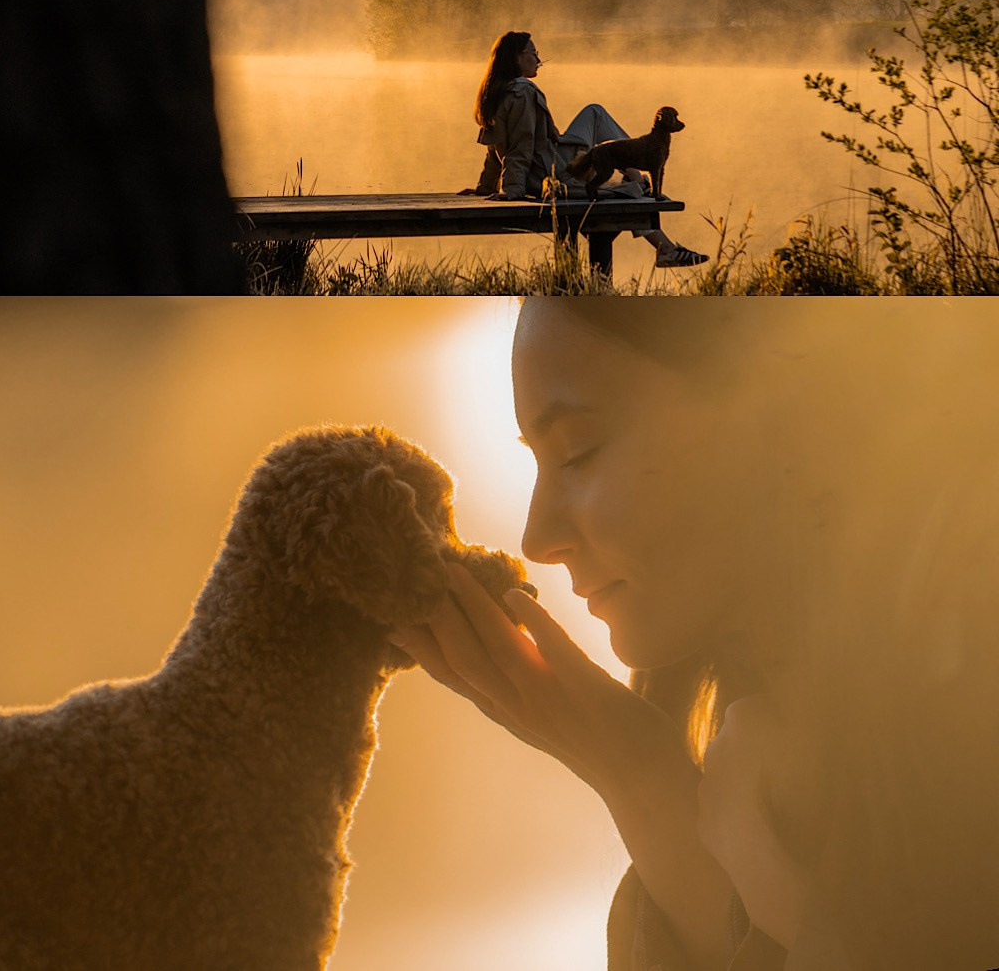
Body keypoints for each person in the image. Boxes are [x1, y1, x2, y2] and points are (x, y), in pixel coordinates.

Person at [388, 298, 999, 971]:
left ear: (768, 404)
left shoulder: (970, 669)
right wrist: (636, 775)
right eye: (536, 461)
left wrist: (781, 886)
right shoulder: (768, 744)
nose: (538, 539)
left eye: (579, 452)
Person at [466, 31, 709, 269]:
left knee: (595, 113)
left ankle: (646, 200)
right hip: (552, 172)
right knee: (626, 194)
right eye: (534, 53)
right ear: (516, 58)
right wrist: (513, 189)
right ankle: (659, 231)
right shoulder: (523, 92)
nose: (539, 60)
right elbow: (521, 145)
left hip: (548, 162)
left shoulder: (495, 92)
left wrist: (486, 186)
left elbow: (494, 148)